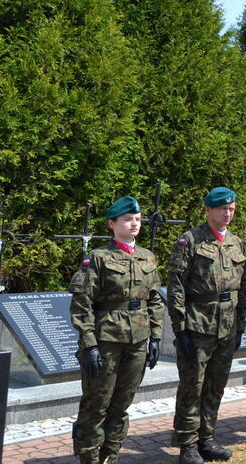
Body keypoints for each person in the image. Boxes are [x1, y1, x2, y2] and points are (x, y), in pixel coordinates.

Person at [69, 196, 164, 464]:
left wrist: (155, 337)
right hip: (106, 341)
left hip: (137, 341)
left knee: (122, 404)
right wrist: (89, 345)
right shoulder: (98, 258)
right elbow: (82, 304)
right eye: (127, 219)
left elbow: (154, 300)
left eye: (138, 219)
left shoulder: (147, 257)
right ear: (112, 223)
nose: (134, 224)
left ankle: (110, 456)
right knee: (96, 405)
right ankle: (89, 458)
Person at [167, 187, 246, 463]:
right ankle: (187, 444)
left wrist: (240, 324)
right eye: (223, 209)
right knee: (193, 386)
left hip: (226, 326)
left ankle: (207, 438)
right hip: (198, 324)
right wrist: (180, 327)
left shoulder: (236, 242)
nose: (228, 213)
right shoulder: (190, 241)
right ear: (208, 210)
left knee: (216, 385)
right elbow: (176, 285)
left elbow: (243, 285)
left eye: (232, 209)